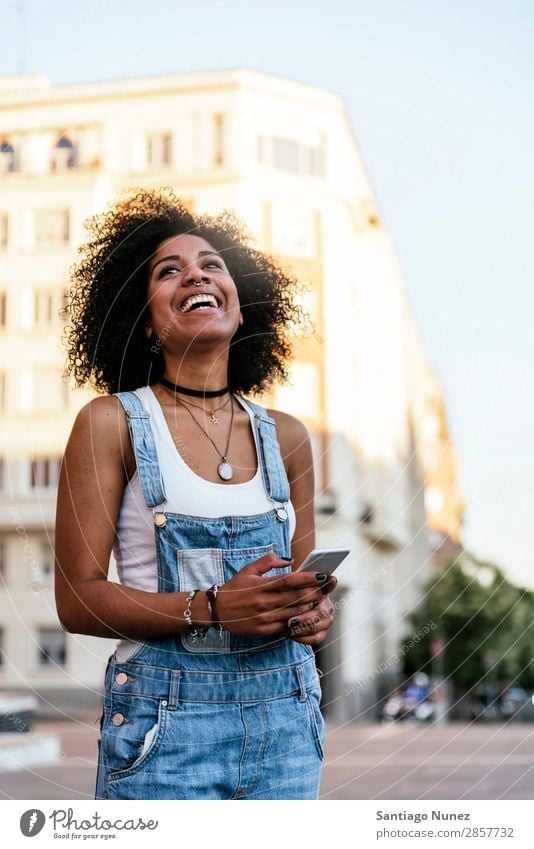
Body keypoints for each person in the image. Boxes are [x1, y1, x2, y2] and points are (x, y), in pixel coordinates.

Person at [54, 189, 337, 800]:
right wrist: (209, 607)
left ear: (241, 303)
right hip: (165, 734)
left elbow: (302, 587)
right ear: (146, 319)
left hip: (287, 728)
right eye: (169, 270)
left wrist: (312, 615)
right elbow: (78, 602)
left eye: (212, 264)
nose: (197, 275)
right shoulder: (112, 423)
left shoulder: (288, 437)